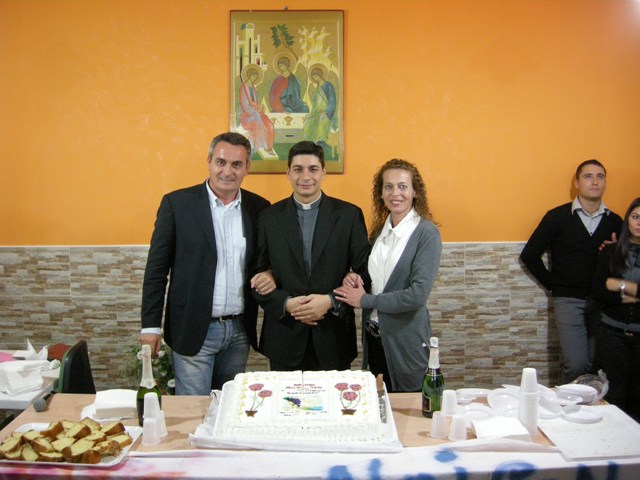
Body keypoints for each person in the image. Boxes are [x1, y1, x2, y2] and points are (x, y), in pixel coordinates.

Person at [140, 132, 274, 395]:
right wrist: (150, 326)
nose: (227, 171)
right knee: (194, 409)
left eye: (236, 164)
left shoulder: (259, 208)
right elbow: (156, 271)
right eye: (221, 162)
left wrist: (269, 273)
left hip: (239, 331)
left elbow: (265, 261)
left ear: (247, 167)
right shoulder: (177, 204)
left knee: (228, 404)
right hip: (193, 328)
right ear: (209, 162)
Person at [253, 140, 370, 371]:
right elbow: (256, 276)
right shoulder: (269, 218)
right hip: (284, 338)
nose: (305, 177)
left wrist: (331, 301)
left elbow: (365, 273)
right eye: (298, 169)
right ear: (288, 173)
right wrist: (286, 304)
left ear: (323, 172)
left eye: (313, 169)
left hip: (333, 336)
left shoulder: (348, 215)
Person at [334, 159, 442, 392]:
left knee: (408, 406)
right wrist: (355, 278)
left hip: (406, 341)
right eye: (388, 187)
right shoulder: (379, 232)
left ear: (415, 192)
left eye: (403, 186)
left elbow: (417, 295)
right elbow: (376, 280)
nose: (395, 193)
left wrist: (365, 300)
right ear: (381, 193)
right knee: (380, 403)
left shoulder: (426, 233)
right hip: (374, 337)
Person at [520, 159, 622, 383]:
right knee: (576, 365)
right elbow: (529, 255)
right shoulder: (557, 217)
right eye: (588, 176)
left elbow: (627, 263)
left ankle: (595, 405)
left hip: (603, 303)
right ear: (577, 183)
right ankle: (569, 403)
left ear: (605, 183)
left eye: (600, 177)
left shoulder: (615, 221)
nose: (594, 181)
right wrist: (554, 284)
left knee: (597, 365)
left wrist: (615, 252)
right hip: (568, 301)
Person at [591, 197, 640, 421]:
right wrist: (631, 291)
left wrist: (618, 285)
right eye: (635, 217)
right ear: (628, 219)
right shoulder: (611, 251)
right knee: (613, 397)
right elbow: (599, 290)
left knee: (637, 399)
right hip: (612, 332)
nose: (639, 223)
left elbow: (610, 286)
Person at [239, 64, 275, 154]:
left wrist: (260, 107)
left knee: (269, 125)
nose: (254, 78)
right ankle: (262, 145)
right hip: (247, 114)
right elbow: (244, 104)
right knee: (258, 117)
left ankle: (267, 146)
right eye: (253, 76)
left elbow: (254, 102)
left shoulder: (252, 87)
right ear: (249, 75)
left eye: (255, 77)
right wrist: (255, 111)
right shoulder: (243, 87)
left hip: (255, 112)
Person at [303, 65, 337, 152]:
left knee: (322, 120)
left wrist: (327, 111)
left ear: (320, 74)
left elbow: (332, 101)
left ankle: (320, 144)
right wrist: (310, 114)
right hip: (317, 112)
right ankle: (310, 144)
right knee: (308, 121)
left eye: (316, 76)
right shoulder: (317, 88)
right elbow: (316, 105)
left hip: (327, 112)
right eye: (314, 77)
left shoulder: (328, 85)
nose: (316, 78)